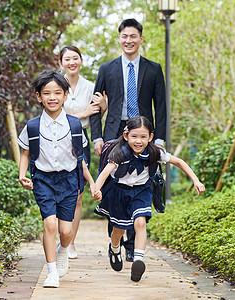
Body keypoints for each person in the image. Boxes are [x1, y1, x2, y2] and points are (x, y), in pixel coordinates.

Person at [90, 18, 167, 262]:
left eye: (133, 36)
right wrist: (97, 137)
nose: (128, 40)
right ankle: (115, 239)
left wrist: (161, 139)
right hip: (114, 132)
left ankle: (132, 246)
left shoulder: (153, 69)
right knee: (112, 186)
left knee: (139, 185)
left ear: (141, 39)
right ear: (119, 38)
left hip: (143, 134)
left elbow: (161, 106)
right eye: (124, 36)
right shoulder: (106, 69)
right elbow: (95, 107)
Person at [94, 116, 205, 282]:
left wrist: (195, 180)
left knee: (140, 223)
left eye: (143, 137)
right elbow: (104, 173)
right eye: (134, 136)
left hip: (141, 191)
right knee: (118, 230)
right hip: (119, 192)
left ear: (150, 137)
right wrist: (96, 189)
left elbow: (179, 162)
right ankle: (114, 248)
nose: (138, 141)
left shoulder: (154, 152)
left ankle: (138, 260)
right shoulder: (120, 152)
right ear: (126, 136)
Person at [18, 70, 101, 288]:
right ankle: (51, 271)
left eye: (57, 93)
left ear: (65, 95)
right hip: (43, 180)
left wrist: (91, 182)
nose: (52, 97)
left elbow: (80, 158)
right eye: (46, 93)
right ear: (39, 96)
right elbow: (25, 152)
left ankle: (63, 249)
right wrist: (22, 175)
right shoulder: (32, 126)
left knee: (66, 231)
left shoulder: (74, 125)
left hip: (69, 181)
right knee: (50, 224)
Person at [59, 45, 107, 259]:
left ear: (81, 61)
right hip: (57, 140)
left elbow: (95, 115)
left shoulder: (90, 85)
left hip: (81, 140)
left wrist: (102, 106)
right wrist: (82, 113)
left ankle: (70, 243)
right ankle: (59, 236)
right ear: (61, 62)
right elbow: (55, 114)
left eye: (75, 58)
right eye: (67, 59)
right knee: (60, 193)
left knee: (78, 195)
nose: (72, 62)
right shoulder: (55, 84)